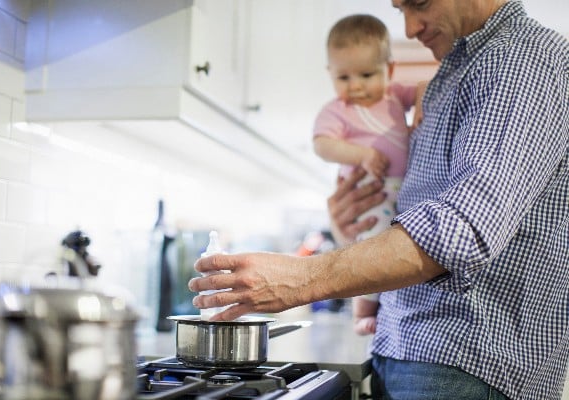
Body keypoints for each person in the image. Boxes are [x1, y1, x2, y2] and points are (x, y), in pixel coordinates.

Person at [189, 0, 568, 399]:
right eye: (400, 7)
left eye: (419, 3)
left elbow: (460, 231)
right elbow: (417, 213)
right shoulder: (454, 72)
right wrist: (346, 228)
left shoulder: (524, 61)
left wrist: (302, 278)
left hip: (465, 363)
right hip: (409, 349)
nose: (408, 28)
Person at [312, 14, 425, 336]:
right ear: (331, 75)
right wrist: (361, 155)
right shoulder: (338, 110)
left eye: (366, 74)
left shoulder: (392, 96)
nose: (356, 85)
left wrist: (421, 102)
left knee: (401, 253)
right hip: (370, 188)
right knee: (373, 250)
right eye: (344, 77)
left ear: (388, 71)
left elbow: (424, 88)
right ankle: (363, 308)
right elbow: (323, 145)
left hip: (404, 191)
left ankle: (376, 305)